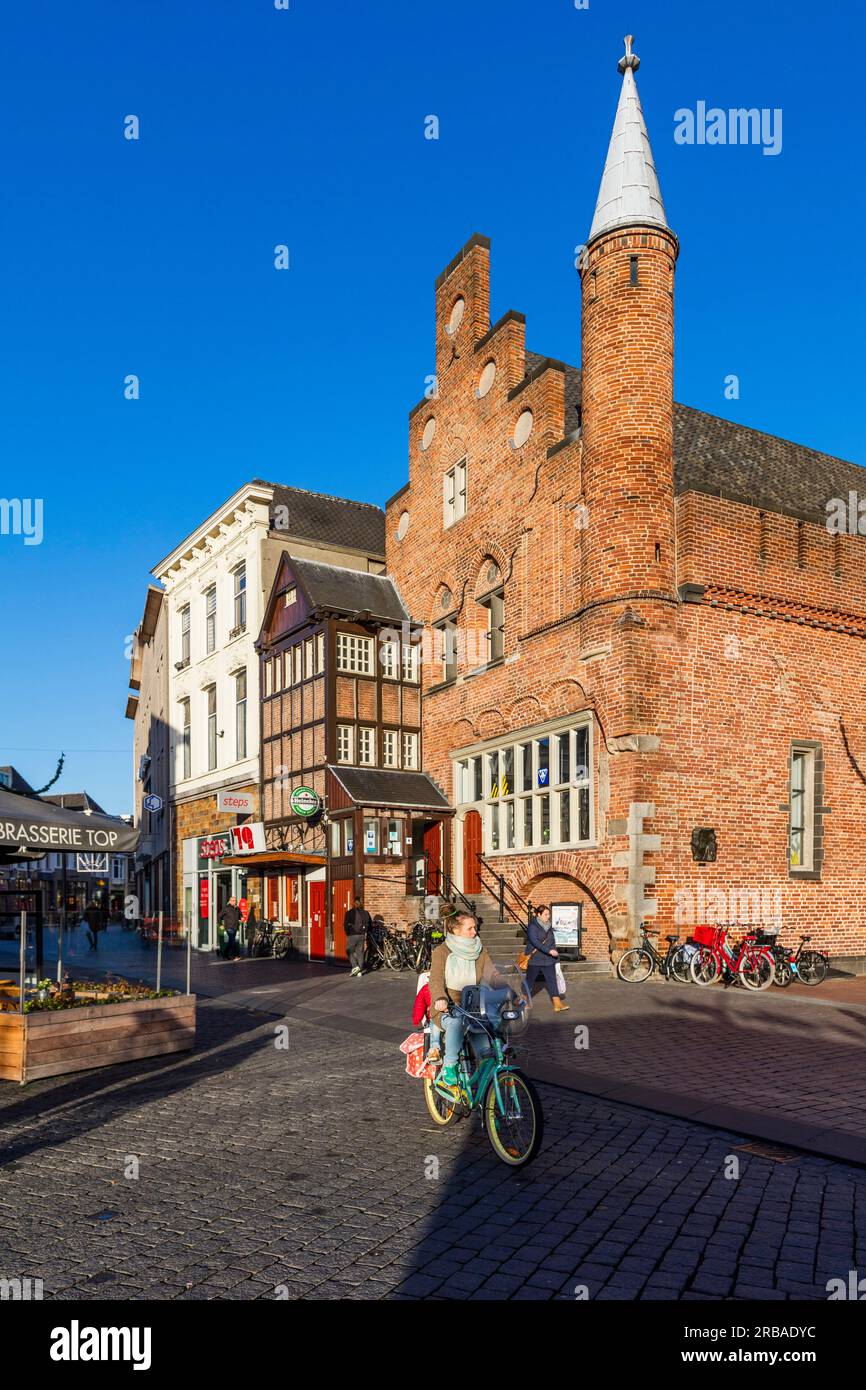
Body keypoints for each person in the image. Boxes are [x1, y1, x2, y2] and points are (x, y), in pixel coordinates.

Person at [428, 909, 512, 1086]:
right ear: (455, 930)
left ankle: (486, 1091)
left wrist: (511, 992)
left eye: (475, 928)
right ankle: (449, 1066)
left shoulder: (479, 951)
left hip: (473, 1006)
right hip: (449, 1006)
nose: (475, 932)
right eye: (470, 929)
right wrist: (440, 998)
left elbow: (492, 975)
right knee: (455, 1023)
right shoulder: (442, 952)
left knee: (487, 1050)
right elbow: (435, 980)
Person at [524, 904, 569, 1012]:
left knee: (552, 981)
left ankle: (557, 1004)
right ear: (538, 915)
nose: (548, 916)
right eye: (545, 914)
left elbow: (552, 942)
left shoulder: (549, 927)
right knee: (530, 981)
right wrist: (549, 951)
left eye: (549, 914)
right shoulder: (532, 926)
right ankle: (523, 1001)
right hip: (535, 959)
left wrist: (556, 957)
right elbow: (535, 942)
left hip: (548, 959)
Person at [412, 969, 440, 1062]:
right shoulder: (426, 988)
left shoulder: (426, 988)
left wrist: (417, 1019)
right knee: (435, 1026)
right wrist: (417, 1019)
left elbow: (419, 1005)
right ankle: (435, 1049)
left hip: (437, 1015)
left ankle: (435, 1049)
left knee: (435, 1027)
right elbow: (419, 1004)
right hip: (436, 1015)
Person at [343, 896, 371, 976]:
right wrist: (365, 932)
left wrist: (348, 933)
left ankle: (355, 967)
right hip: (362, 935)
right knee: (360, 953)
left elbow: (345, 925)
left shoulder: (349, 913)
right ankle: (360, 971)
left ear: (354, 903)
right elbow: (370, 924)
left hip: (352, 935)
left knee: (349, 951)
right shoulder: (365, 913)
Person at [219, 896, 241, 960]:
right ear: (230, 901)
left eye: (235, 900)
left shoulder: (237, 909)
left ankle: (224, 955)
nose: (235, 902)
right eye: (233, 900)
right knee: (233, 941)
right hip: (229, 927)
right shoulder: (226, 908)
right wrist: (220, 924)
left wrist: (241, 918)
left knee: (230, 942)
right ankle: (235, 956)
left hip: (235, 927)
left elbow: (240, 916)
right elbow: (219, 916)